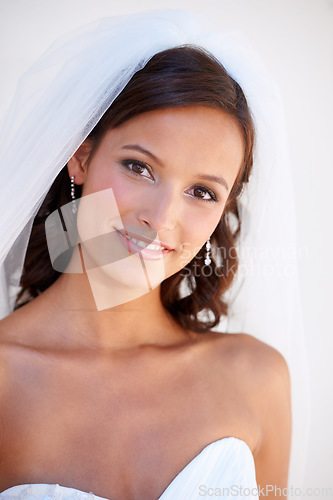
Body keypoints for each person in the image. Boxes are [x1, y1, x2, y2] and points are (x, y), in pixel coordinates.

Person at [0, 10, 308, 500]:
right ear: (81, 157)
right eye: (139, 167)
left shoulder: (256, 379)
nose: (162, 218)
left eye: (202, 192)